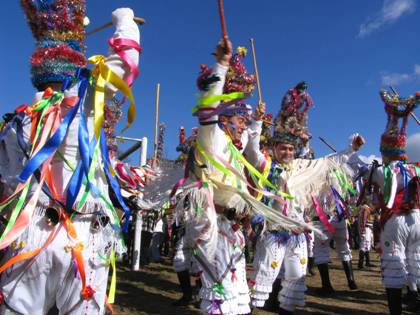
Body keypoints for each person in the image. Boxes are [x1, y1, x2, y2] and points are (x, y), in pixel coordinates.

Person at [0, 2, 140, 314]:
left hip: (31, 236)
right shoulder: (89, 102)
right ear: (77, 67)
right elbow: (128, 60)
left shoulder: (16, 123)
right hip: (83, 237)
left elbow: (10, 183)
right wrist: (124, 18)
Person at [365, 89, 420, 314]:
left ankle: (396, 310)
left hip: (396, 219)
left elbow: (369, 186)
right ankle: (415, 298)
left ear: (385, 151)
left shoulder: (383, 170)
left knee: (394, 263)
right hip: (418, 219)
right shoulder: (415, 168)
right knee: (416, 260)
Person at [357, 204, 376, 269]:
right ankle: (360, 263)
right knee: (364, 245)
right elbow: (363, 221)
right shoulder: (365, 209)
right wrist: (363, 229)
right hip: (366, 229)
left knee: (367, 245)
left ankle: (367, 262)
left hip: (368, 229)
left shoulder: (366, 209)